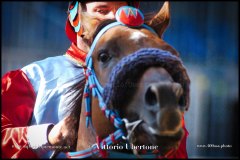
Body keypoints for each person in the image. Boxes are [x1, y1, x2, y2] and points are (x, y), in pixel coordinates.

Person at [1, 1, 188, 159]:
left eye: (120, 10)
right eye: (102, 10)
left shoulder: (146, 83)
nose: (113, 20)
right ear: (76, 17)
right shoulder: (32, 76)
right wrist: (47, 136)